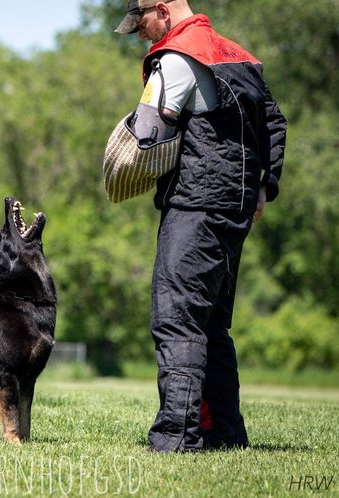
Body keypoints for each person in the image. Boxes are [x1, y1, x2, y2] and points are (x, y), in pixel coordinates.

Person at [114, 0, 287, 452]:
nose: (140, 35)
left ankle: (177, 436)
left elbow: (148, 131)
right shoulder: (239, 55)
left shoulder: (177, 56)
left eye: (141, 23)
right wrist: (264, 186)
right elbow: (274, 122)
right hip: (235, 207)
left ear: (163, 11)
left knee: (177, 318)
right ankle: (224, 434)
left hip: (195, 204)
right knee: (211, 325)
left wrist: (123, 162)